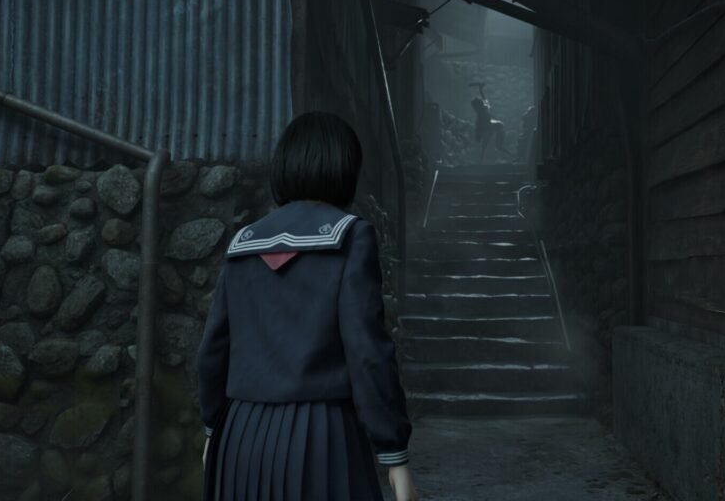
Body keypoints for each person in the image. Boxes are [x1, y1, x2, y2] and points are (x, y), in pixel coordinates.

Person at [198, 111, 419, 501]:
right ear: (344, 168)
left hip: (239, 438)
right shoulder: (351, 237)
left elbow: (213, 351)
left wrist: (212, 430)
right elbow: (367, 352)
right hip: (322, 439)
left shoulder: (243, 242)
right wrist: (393, 452)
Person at [470, 83, 513, 163]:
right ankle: (511, 156)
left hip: (495, 127)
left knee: (492, 146)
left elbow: (483, 100)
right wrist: (480, 90)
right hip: (493, 127)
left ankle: (512, 156)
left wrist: (480, 90)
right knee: (491, 146)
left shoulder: (482, 111)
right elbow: (483, 100)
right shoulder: (483, 110)